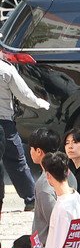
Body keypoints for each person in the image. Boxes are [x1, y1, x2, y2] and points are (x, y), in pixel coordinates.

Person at [0, 48, 49, 212]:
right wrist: (40, 103)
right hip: (3, 123)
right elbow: (24, 95)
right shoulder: (5, 69)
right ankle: (31, 199)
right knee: (16, 161)